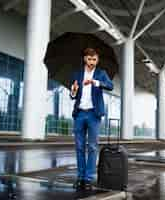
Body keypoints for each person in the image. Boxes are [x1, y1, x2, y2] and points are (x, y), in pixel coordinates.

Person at [70, 48, 113, 190]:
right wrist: (74, 91)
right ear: (85, 59)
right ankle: (80, 177)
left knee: (93, 147)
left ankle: (88, 179)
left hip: (94, 114)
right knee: (79, 147)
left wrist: (96, 82)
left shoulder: (101, 74)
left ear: (97, 60)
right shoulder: (77, 73)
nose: (92, 62)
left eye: (94, 59)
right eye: (89, 59)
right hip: (80, 113)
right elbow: (73, 95)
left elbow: (110, 86)